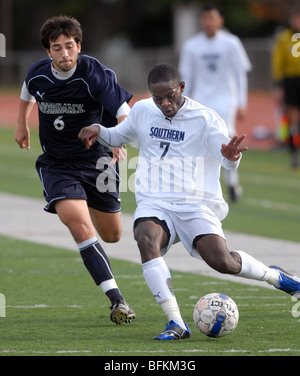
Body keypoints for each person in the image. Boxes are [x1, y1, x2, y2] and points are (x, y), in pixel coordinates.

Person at [79, 63, 300, 340]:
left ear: (181, 87)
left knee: (222, 262)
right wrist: (99, 129)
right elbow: (119, 136)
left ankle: (276, 277)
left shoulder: (206, 119)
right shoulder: (144, 110)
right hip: (154, 201)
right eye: (158, 98)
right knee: (146, 240)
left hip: (195, 203)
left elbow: (227, 163)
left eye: (170, 95)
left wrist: (232, 157)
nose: (165, 103)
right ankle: (176, 323)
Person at [14, 15, 136, 325]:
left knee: (112, 235)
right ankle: (117, 300)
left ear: (79, 46)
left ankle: (98, 216)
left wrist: (117, 140)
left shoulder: (93, 73)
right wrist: (21, 125)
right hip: (57, 165)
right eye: (57, 48)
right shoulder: (38, 74)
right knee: (79, 226)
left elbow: (124, 113)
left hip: (98, 162)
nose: (65, 54)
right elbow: (28, 92)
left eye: (70, 46)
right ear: (48, 52)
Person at [178, 3, 252, 202]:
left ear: (220, 21)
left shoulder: (231, 43)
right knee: (199, 140)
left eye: (212, 18)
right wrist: (184, 101)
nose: (209, 22)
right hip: (201, 99)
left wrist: (242, 102)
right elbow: (187, 76)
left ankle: (232, 182)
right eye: (205, 18)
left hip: (225, 99)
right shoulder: (191, 46)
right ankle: (201, 184)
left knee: (227, 138)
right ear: (201, 21)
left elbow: (240, 74)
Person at [271, 8, 300, 168]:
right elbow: (277, 62)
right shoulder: (284, 38)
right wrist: (279, 85)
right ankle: (293, 151)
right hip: (291, 80)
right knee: (292, 116)